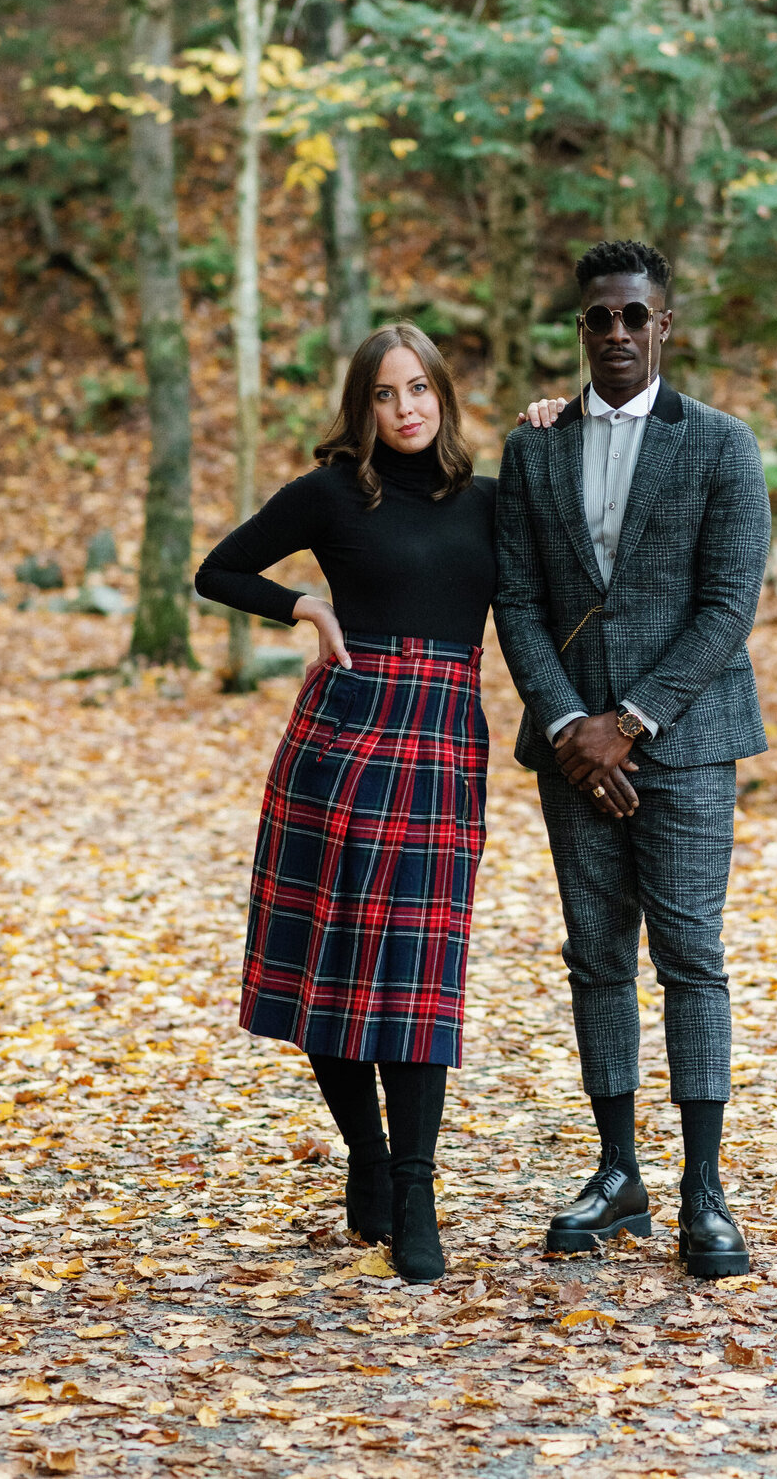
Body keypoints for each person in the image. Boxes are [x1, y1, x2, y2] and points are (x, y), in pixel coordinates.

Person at [195, 326, 562, 1283]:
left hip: (441, 741)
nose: (406, 409)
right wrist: (303, 610)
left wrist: (554, 428)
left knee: (417, 973)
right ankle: (367, 1152)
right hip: (341, 740)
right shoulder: (329, 494)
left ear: (443, 396)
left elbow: (571, 523)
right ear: (363, 408)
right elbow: (218, 570)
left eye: (421, 390)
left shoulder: (492, 499)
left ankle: (416, 1190)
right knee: (330, 965)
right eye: (386, 395)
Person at [494, 240, 772, 1279]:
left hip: (689, 746)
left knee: (690, 955)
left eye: (634, 316)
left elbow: (726, 607)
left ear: (667, 325)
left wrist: (634, 720)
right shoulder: (534, 449)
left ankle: (704, 1188)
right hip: (570, 754)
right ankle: (620, 1173)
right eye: (598, 318)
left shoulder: (721, 446)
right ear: (581, 327)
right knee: (596, 954)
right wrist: (572, 727)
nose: (616, 332)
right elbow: (516, 601)